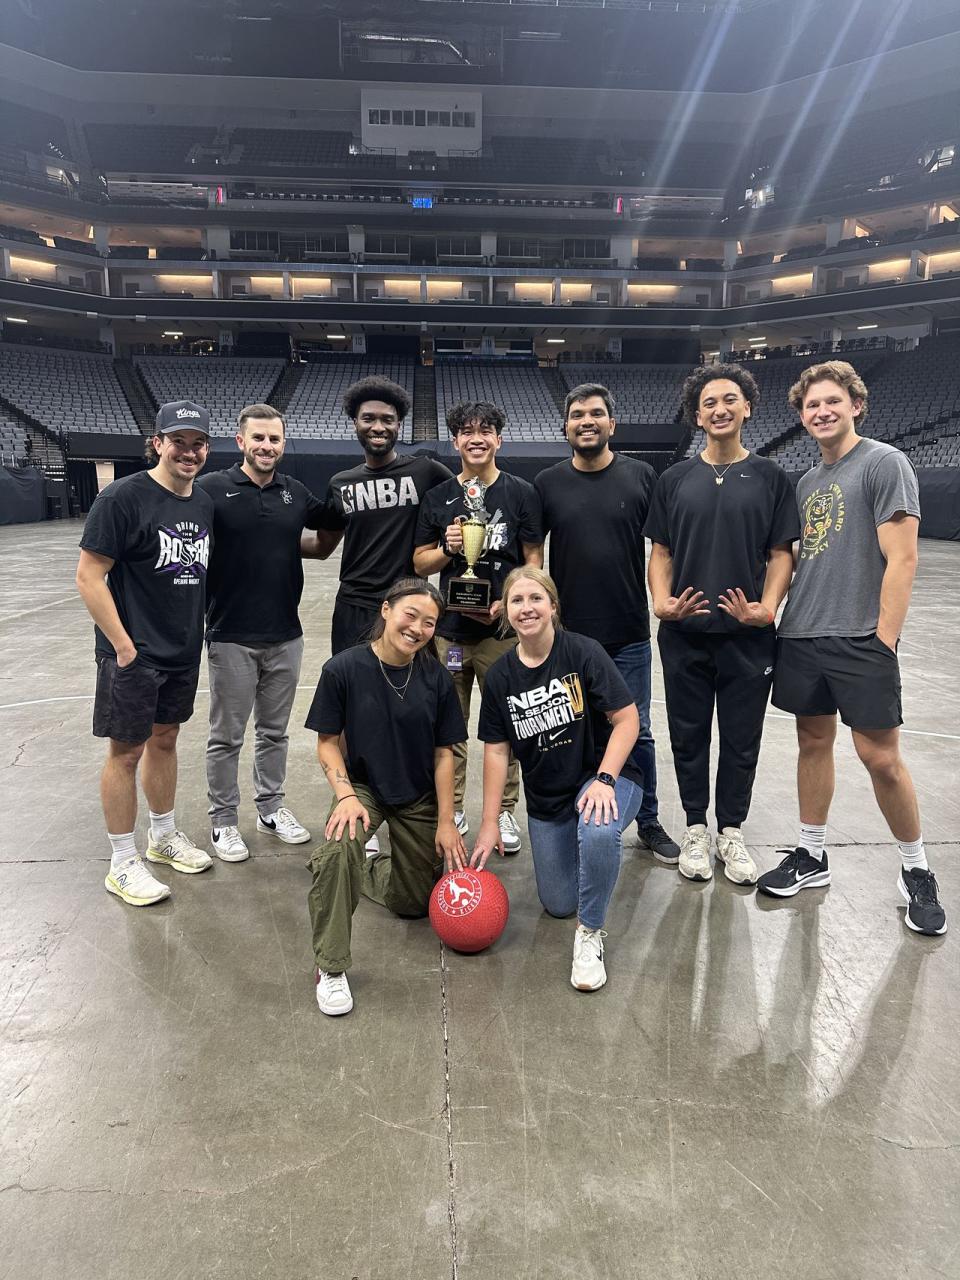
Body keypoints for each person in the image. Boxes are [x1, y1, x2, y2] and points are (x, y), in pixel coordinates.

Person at [761, 360, 947, 936]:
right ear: (800, 416)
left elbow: (904, 557)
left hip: (860, 636)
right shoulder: (808, 481)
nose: (821, 412)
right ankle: (811, 854)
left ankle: (916, 869)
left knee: (880, 758)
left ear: (856, 405)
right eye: (812, 406)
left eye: (832, 402)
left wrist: (884, 640)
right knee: (812, 743)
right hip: (803, 633)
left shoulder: (884, 463)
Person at [645, 364, 798, 885]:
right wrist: (660, 600)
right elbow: (660, 551)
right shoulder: (674, 479)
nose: (719, 409)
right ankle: (694, 827)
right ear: (697, 413)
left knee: (741, 739)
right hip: (685, 635)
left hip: (748, 637)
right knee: (687, 736)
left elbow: (782, 554)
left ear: (748, 407)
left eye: (729, 400)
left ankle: (730, 829)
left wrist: (767, 607)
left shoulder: (772, 477)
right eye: (709, 402)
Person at [472, 567, 642, 993]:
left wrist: (605, 779)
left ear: (552, 606)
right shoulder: (500, 678)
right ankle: (585, 876)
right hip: (549, 797)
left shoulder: (583, 653)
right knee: (559, 904)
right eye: (516, 600)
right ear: (505, 612)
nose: (526, 608)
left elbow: (627, 720)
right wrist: (491, 820)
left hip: (605, 776)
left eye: (535, 598)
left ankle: (590, 935)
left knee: (598, 825)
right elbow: (496, 751)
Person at [305, 579, 468, 1016]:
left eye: (429, 623)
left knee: (415, 904)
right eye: (410, 615)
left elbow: (443, 754)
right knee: (341, 847)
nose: (417, 628)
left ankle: (370, 868)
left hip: (416, 795)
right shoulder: (343, 669)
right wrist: (344, 796)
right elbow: (326, 742)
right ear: (385, 610)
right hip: (363, 788)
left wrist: (448, 821)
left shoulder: (436, 677)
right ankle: (331, 965)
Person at [76, 400, 215, 906]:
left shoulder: (202, 502)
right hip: (134, 654)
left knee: (166, 739)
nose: (189, 451)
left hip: (180, 648)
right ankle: (121, 861)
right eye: (178, 441)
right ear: (157, 443)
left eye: (198, 442)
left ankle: (162, 836)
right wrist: (123, 647)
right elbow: (89, 576)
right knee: (125, 751)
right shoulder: (122, 498)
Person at [534, 383, 679, 865]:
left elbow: (663, 550)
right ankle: (586, 808)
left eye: (597, 413)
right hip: (570, 637)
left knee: (639, 728)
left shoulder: (641, 477)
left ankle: (649, 820)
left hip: (628, 634)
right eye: (577, 414)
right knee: (576, 728)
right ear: (567, 427)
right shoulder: (548, 483)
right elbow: (533, 557)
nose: (587, 421)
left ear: (612, 424)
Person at [195, 403, 327, 862]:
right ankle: (223, 821)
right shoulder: (211, 489)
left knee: (274, 732)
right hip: (231, 635)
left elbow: (325, 535)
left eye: (274, 439)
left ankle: (270, 809)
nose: (266, 446)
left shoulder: (295, 493)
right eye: (259, 438)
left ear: (283, 444)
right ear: (241, 442)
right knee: (226, 736)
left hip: (286, 635)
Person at [413, 400, 543, 854]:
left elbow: (532, 560)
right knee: (451, 726)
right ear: (455, 441)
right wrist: (449, 550)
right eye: (466, 431)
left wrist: (511, 604)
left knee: (506, 724)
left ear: (498, 439)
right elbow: (420, 561)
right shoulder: (438, 497)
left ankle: (505, 809)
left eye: (485, 430)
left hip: (499, 636)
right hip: (450, 634)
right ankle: (455, 807)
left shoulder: (521, 493)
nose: (476, 438)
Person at [314, 376, 452, 654]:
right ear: (355, 422)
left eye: (387, 419)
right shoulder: (341, 482)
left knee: (408, 691)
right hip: (353, 605)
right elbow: (322, 546)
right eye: (368, 418)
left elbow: (467, 497)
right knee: (352, 689)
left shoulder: (427, 472)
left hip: (408, 604)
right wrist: (270, 538)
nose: (378, 427)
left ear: (398, 425)